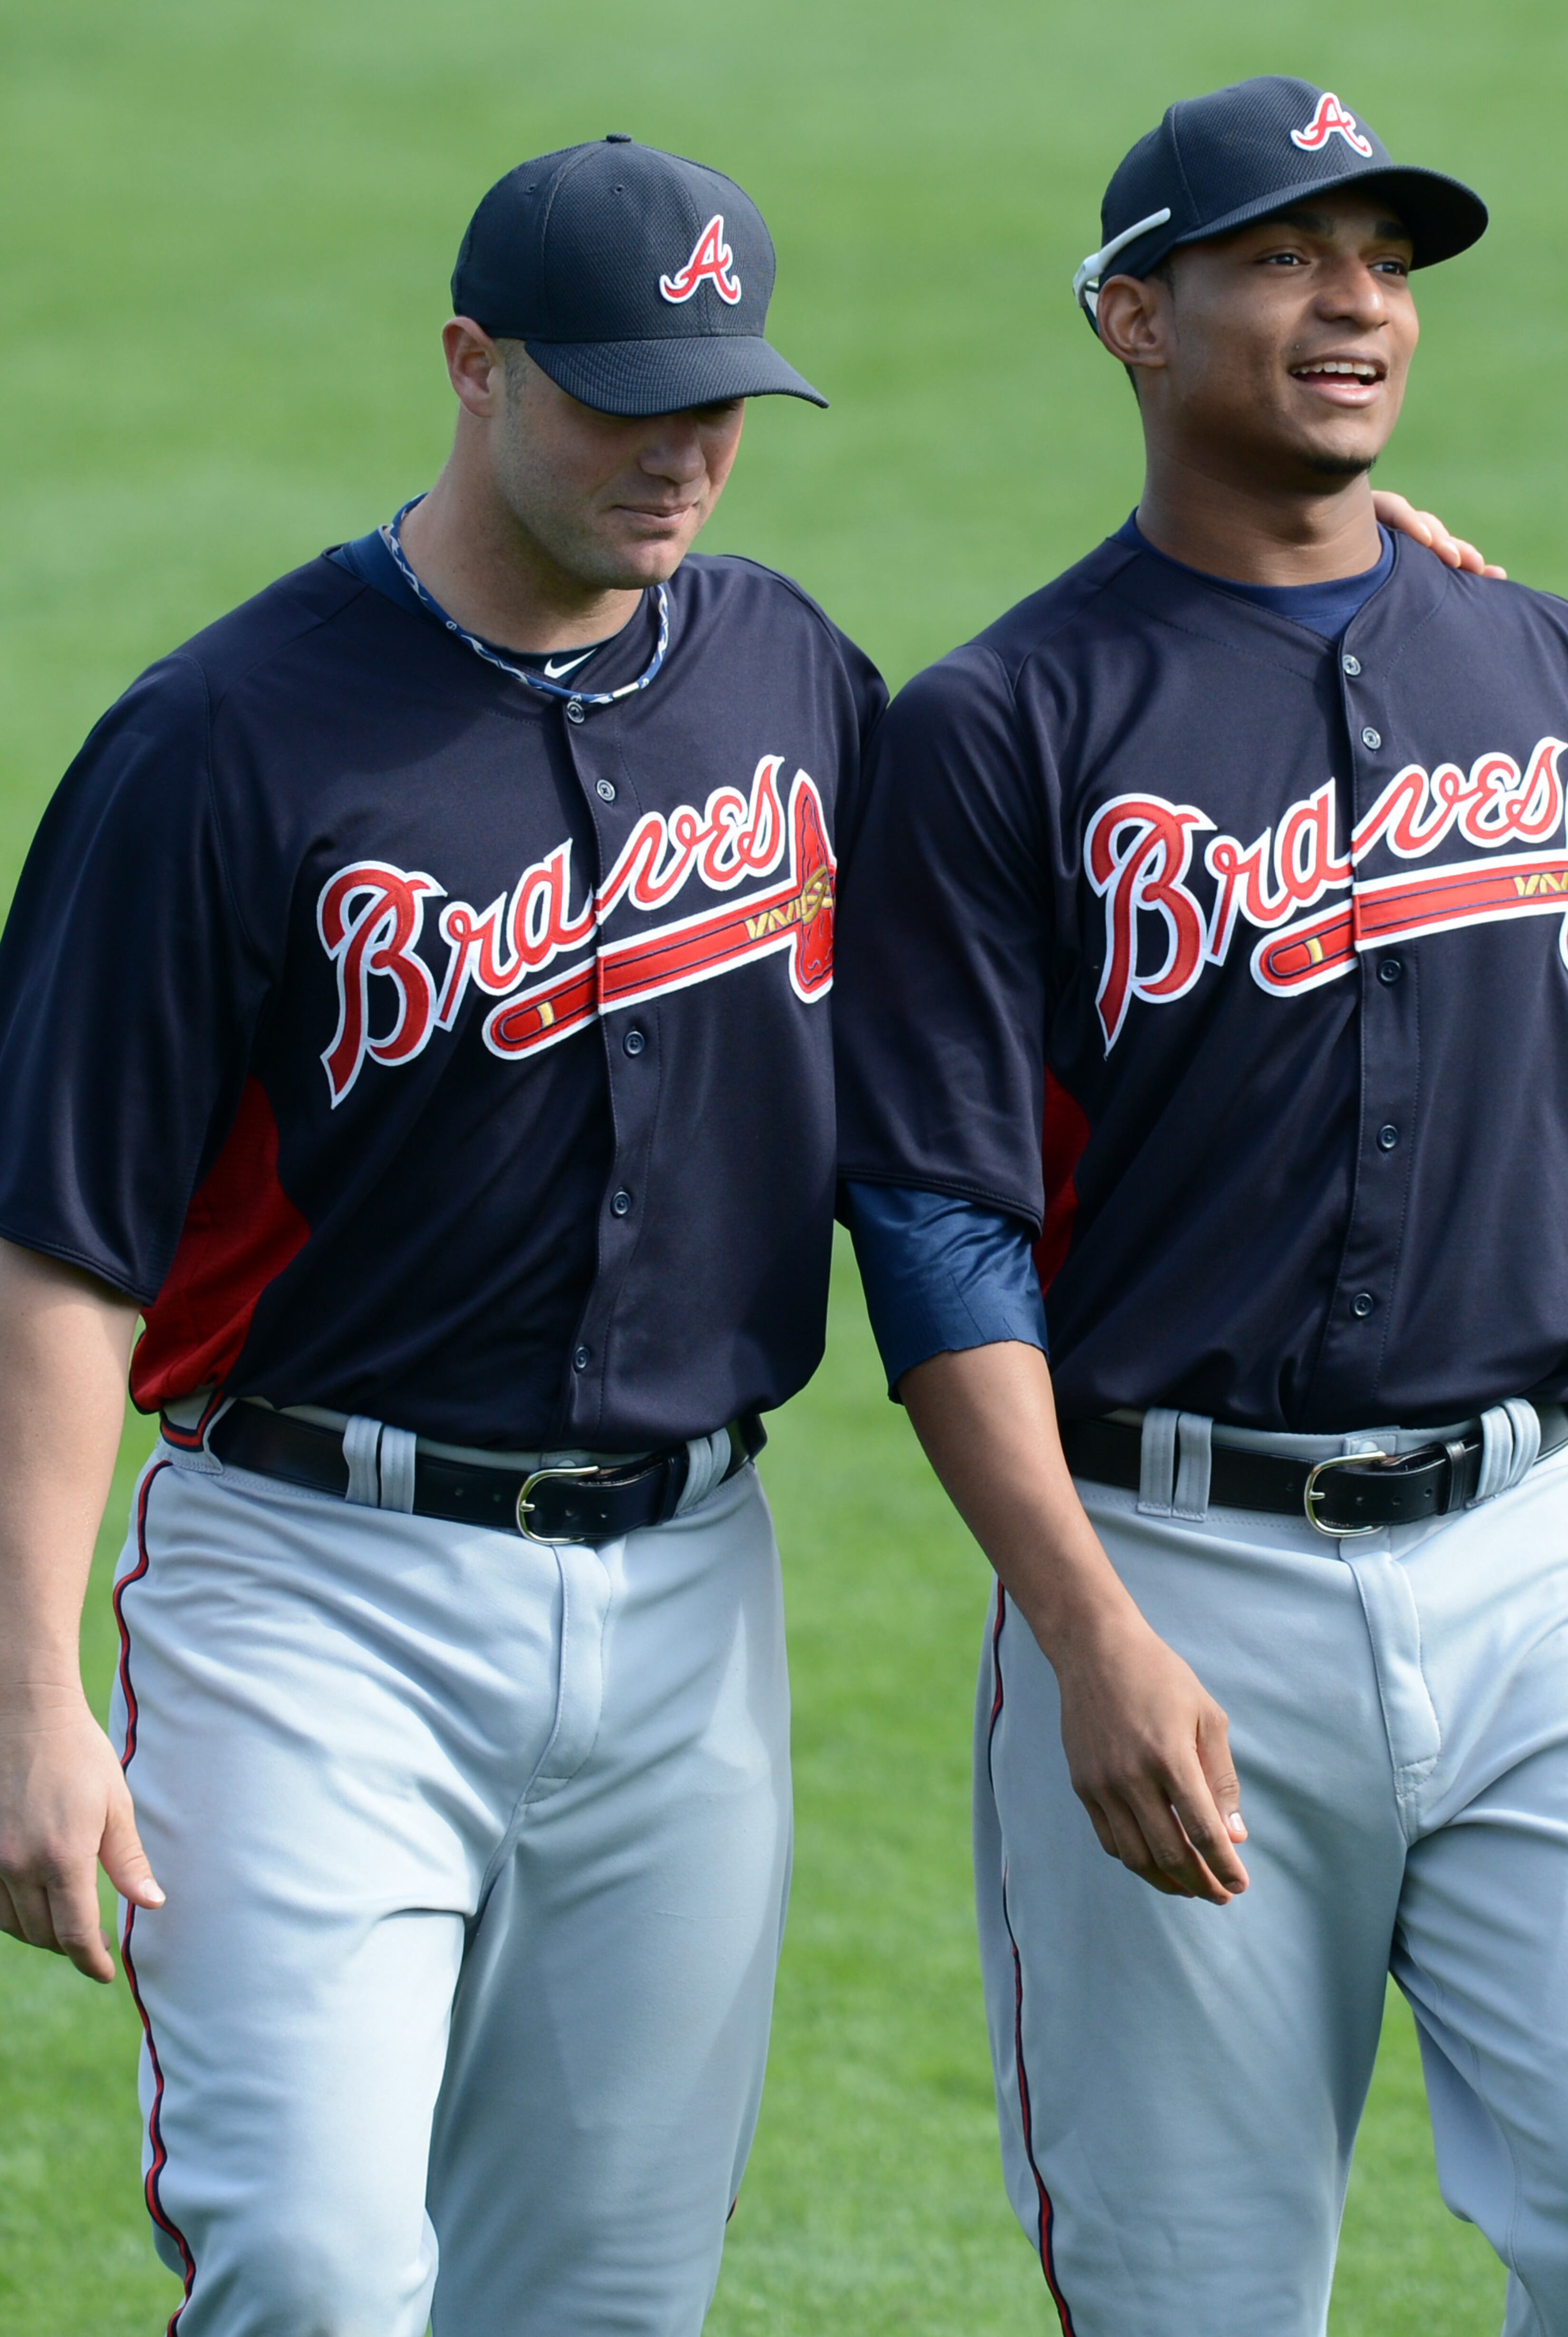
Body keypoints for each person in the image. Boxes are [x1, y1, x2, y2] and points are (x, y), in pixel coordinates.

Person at [834, 76, 1568, 2337]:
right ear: (1130, 320)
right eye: (1281, 256)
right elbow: (939, 1227)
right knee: (1193, 2291)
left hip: (1536, 1556)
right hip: (1179, 1564)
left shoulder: (1553, 671)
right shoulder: (1006, 725)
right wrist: (1086, 1629)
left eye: (1384, 261)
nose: (1355, 302)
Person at [0, 134, 885, 2336]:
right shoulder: (217, 740)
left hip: (692, 1596)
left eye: (718, 404)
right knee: (307, 2257)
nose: (681, 456)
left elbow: (1070, 878)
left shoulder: (792, 675)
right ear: (473, 368)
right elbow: (59, 1247)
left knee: (602, 2295)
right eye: (621, 398)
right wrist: (26, 1687)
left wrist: (1362, 571)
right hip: (316, 1591)